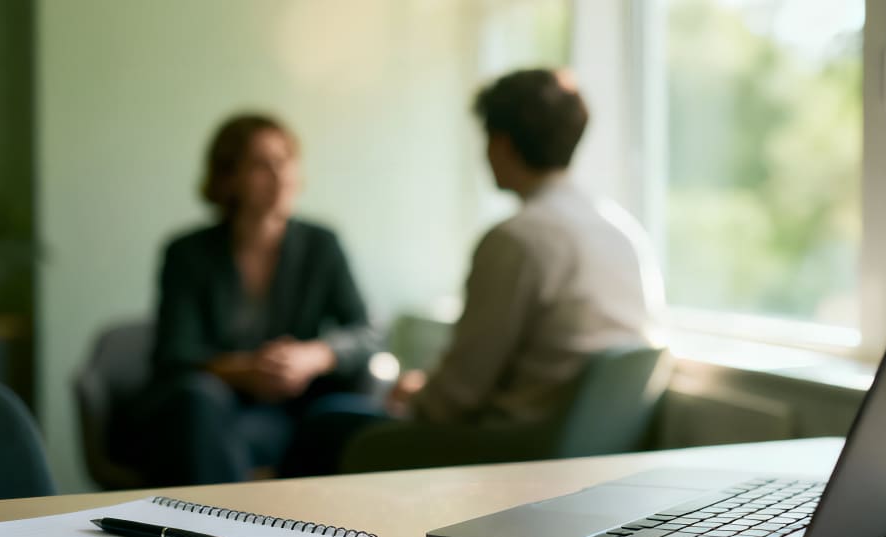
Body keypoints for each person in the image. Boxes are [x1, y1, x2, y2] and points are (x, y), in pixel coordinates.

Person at [281, 68, 663, 475]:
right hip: (588, 451)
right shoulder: (623, 232)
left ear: (502, 143)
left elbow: (456, 397)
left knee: (326, 421)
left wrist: (416, 395)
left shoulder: (518, 239)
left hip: (510, 453)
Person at [115, 113, 381, 486]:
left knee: (336, 421)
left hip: (286, 410)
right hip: (210, 406)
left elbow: (366, 331)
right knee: (197, 402)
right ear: (228, 178)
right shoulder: (188, 253)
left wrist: (313, 356)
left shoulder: (321, 245)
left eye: (285, 160)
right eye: (260, 164)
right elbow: (174, 354)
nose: (279, 175)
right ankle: (234, 529)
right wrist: (248, 371)